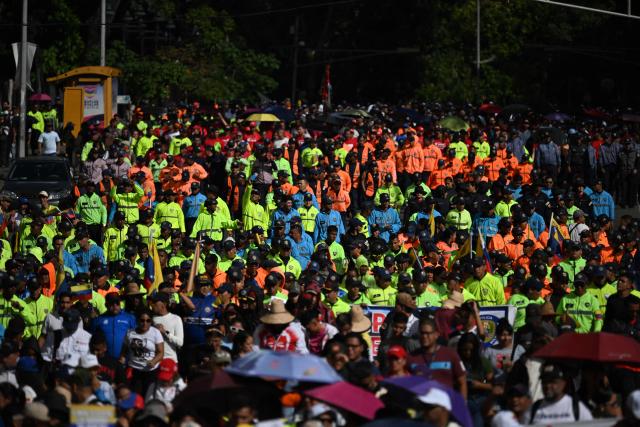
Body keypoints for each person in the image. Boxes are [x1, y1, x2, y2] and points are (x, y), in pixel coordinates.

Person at [407, 317, 468, 398]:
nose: (424, 336)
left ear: (436, 334)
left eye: (428, 333)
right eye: (422, 333)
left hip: (444, 407)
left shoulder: (450, 354)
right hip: (421, 406)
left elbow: (462, 382)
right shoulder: (412, 357)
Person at [119, 309, 165, 395]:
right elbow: (124, 347)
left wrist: (154, 361)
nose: (145, 323)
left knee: (148, 396)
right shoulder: (130, 333)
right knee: (135, 396)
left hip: (150, 371)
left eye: (148, 321)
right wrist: (122, 357)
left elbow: (161, 352)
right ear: (137, 321)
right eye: (142, 320)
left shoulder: (155, 333)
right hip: (134, 370)